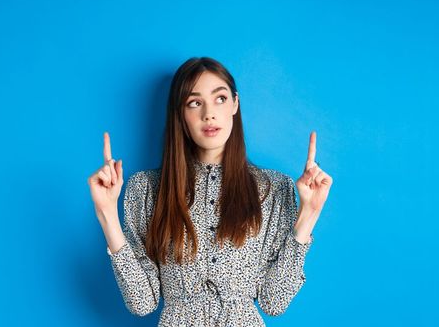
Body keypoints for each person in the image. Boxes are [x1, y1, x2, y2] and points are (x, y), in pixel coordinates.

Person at [87, 57, 333, 326]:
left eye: (220, 98)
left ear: (235, 104)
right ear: (180, 113)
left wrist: (308, 214)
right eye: (195, 102)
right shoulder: (146, 189)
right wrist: (107, 213)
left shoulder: (273, 189)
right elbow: (142, 302)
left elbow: (274, 302)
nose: (209, 114)